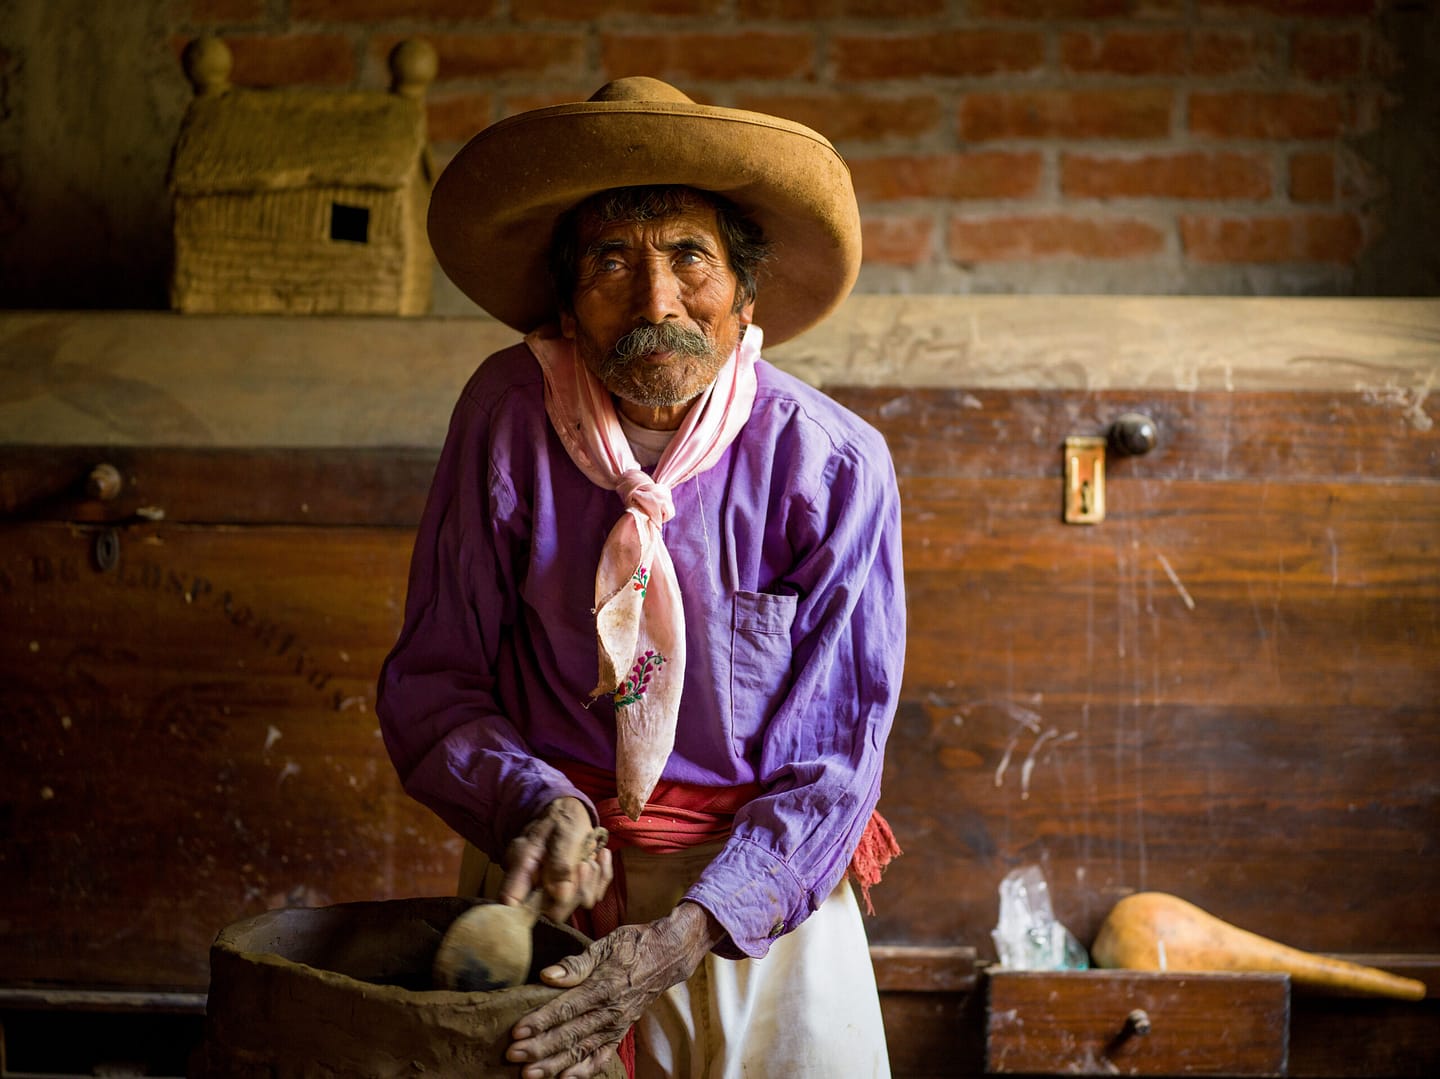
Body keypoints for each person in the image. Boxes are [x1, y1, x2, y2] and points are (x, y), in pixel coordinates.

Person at [377, 76, 905, 1079]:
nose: (656, 301)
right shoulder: (506, 416)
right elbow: (434, 682)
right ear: (568, 304)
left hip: (755, 899)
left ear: (745, 293)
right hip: (549, 875)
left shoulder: (833, 465)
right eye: (613, 261)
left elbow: (837, 760)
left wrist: (685, 933)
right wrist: (537, 805)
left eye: (689, 258)